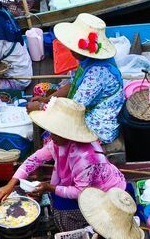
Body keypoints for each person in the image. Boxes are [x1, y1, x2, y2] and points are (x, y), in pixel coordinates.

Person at [0, 97, 126, 230]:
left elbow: (79, 192)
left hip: (104, 193)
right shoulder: (58, 142)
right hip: (82, 185)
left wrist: (48, 187)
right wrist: (10, 184)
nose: (51, 136)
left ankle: (81, 229)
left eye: (56, 133)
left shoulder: (86, 158)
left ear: (68, 135)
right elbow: (34, 160)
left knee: (63, 212)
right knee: (55, 196)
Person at [28, 14, 124, 147]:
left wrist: (41, 107)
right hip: (81, 104)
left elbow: (74, 108)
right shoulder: (87, 61)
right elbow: (73, 83)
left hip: (96, 124)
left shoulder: (97, 74)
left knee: (49, 142)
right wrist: (46, 100)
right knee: (40, 89)